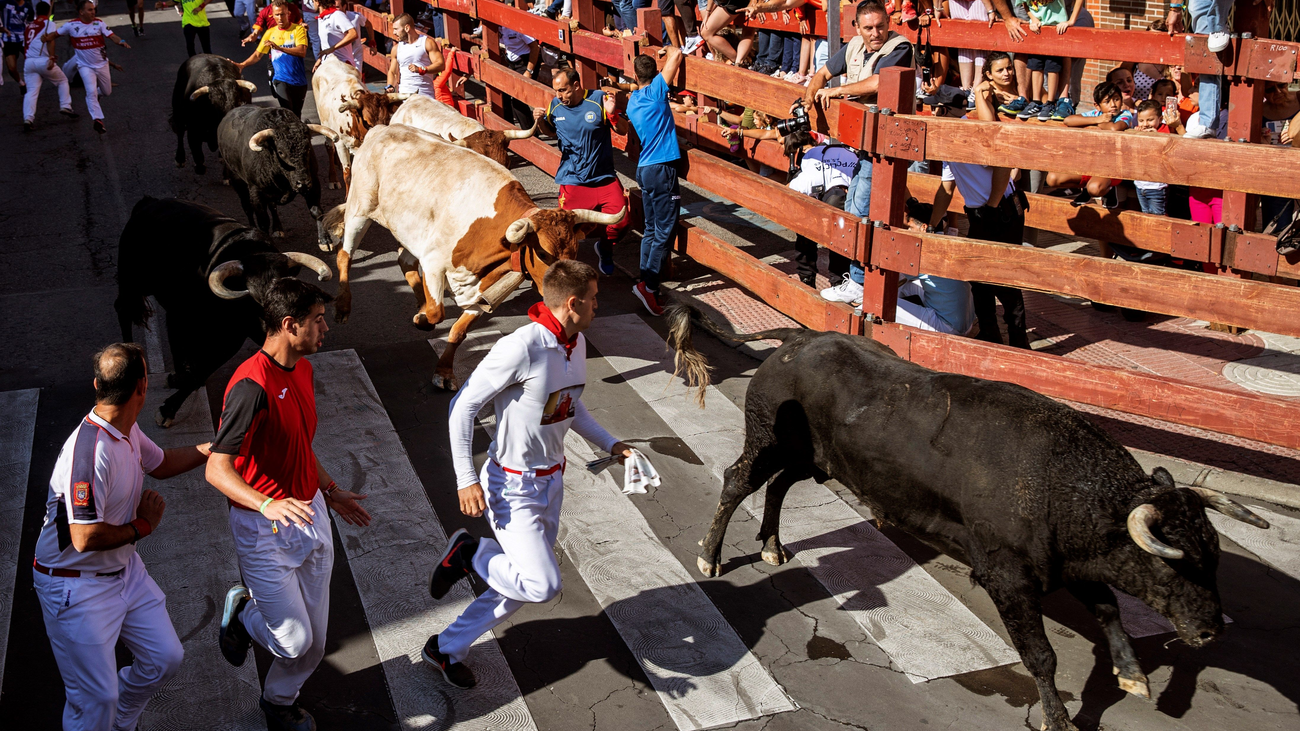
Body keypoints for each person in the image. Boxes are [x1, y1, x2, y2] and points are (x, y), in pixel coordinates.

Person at [425, 260, 632, 689]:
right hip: (511, 486)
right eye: (594, 299)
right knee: (540, 584)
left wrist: (612, 444)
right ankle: (468, 554)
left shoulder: (576, 344)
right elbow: (461, 407)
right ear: (573, 303)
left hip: (551, 482)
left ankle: (445, 648)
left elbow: (568, 408)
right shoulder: (521, 347)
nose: (599, 305)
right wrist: (465, 477)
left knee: (518, 582)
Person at [206, 279, 371, 731]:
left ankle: (279, 702)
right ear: (288, 324)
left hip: (310, 513)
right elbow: (217, 470)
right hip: (264, 531)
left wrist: (331, 491)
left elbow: (298, 444)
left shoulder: (303, 369)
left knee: (316, 644)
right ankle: (241, 613)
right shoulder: (249, 386)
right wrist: (266, 505)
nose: (326, 328)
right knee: (294, 641)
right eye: (318, 320)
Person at [33, 343, 211, 731]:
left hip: (123, 571)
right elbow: (82, 537)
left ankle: (121, 723)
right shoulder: (89, 453)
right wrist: (142, 526)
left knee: (164, 658)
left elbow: (160, 464)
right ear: (142, 388)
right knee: (95, 700)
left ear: (98, 384)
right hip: (74, 588)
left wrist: (215, 448)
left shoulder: (123, 429)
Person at [803, 0, 913, 307]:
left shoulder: (900, 47)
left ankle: (862, 284)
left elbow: (879, 82)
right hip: (866, 143)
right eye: (868, 28)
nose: (876, 33)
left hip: (890, 145)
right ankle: (878, 278)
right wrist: (808, 98)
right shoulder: (853, 46)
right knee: (858, 205)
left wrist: (836, 91)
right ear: (857, 28)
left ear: (889, 23)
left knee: (861, 208)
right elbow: (822, 72)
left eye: (881, 26)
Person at [927, 149, 1030, 348]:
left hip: (1001, 213)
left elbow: (1003, 165)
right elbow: (946, 189)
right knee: (978, 277)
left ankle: (1019, 341)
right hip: (983, 213)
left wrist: (991, 208)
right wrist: (932, 226)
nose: (934, 114)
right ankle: (991, 333)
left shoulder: (969, 136)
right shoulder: (949, 147)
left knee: (1004, 280)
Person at [534, 67, 631, 276]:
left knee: (622, 221)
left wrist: (612, 114)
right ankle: (567, 276)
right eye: (556, 91)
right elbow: (550, 131)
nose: (559, 96)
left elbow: (623, 130)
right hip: (572, 181)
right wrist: (540, 122)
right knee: (565, 231)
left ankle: (604, 249)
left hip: (604, 178)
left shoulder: (598, 100)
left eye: (563, 90)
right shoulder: (555, 105)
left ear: (577, 85)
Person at [626, 46, 685, 316]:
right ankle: (649, 287)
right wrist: (669, 48)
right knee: (664, 229)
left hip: (645, 169)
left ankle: (644, 280)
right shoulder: (658, 91)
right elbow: (677, 55)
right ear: (655, 74)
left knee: (651, 229)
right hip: (662, 169)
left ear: (635, 76)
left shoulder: (633, 101)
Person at [786, 129, 860, 288]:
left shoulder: (810, 167)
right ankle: (839, 281)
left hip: (832, 195)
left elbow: (787, 193)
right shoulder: (842, 154)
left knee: (810, 225)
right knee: (841, 234)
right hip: (847, 192)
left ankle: (808, 278)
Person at [1047, 81, 1134, 208]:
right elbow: (1068, 120)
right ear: (1097, 106)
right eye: (1107, 101)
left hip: (1110, 169)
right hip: (1089, 165)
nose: (1113, 105)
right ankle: (1085, 188)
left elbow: (1114, 128)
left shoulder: (1124, 114)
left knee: (1094, 189)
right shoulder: (1095, 115)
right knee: (1052, 178)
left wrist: (1092, 123)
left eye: (1116, 99)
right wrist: (1097, 120)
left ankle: (1108, 189)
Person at [897, 198, 976, 335]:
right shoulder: (950, 242)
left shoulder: (925, 252)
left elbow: (897, 276)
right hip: (968, 323)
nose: (908, 231)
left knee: (882, 304)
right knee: (906, 287)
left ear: (924, 228)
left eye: (910, 228)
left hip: (946, 327)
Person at [58, 0, 129, 134]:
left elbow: (112, 36)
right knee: (90, 91)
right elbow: (54, 35)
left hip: (101, 66)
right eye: (90, 10)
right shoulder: (71, 25)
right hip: (83, 68)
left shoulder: (99, 23)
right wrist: (44, 39)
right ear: (81, 12)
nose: (93, 12)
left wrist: (122, 42)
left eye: (93, 9)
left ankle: (97, 95)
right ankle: (97, 120)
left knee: (107, 91)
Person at [236, 0, 308, 115]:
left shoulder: (298, 30)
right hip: (280, 78)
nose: (280, 18)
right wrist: (242, 65)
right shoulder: (270, 32)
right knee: (287, 111)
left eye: (282, 14)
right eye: (277, 15)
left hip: (299, 80)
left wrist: (279, 48)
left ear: (288, 14)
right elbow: (257, 55)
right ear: (272, 15)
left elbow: (302, 52)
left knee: (296, 113)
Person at [21, 1, 76, 131]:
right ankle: (65, 105)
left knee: (32, 92)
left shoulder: (28, 26)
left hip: (29, 62)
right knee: (62, 81)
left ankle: (28, 118)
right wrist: (51, 57)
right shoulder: (49, 24)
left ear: (36, 11)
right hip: (43, 60)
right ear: (48, 12)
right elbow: (50, 40)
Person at [1017, 0, 1067, 122]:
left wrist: (1070, 21)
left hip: (1055, 29)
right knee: (1035, 65)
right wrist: (1032, 18)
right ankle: (1036, 101)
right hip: (1037, 30)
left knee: (1052, 66)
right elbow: (1024, 3)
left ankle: (1050, 103)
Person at [386, 12, 442, 98]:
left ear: (407, 28)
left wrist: (422, 69)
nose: (394, 32)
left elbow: (440, 65)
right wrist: (390, 86)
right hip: (404, 97)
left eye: (396, 29)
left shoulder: (427, 43)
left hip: (425, 96)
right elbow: (393, 72)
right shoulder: (396, 48)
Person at [500, 26, 539, 127]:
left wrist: (529, 71)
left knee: (519, 101)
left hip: (526, 61)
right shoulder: (498, 27)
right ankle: (509, 128)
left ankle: (530, 134)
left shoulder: (518, 25)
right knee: (503, 96)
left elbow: (535, 47)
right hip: (511, 61)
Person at [311, 0, 357, 71]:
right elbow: (326, 44)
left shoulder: (337, 15)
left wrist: (333, 48)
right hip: (329, 65)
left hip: (343, 66)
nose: (312, 3)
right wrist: (320, 59)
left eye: (313, 1)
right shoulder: (321, 18)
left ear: (317, 2)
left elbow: (353, 34)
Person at [3, 0, 33, 89]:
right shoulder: (4, 3)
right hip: (8, 40)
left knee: (34, 63)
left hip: (23, 40)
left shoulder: (28, 7)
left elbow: (30, 24)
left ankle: (32, 84)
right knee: (11, 68)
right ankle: (21, 83)